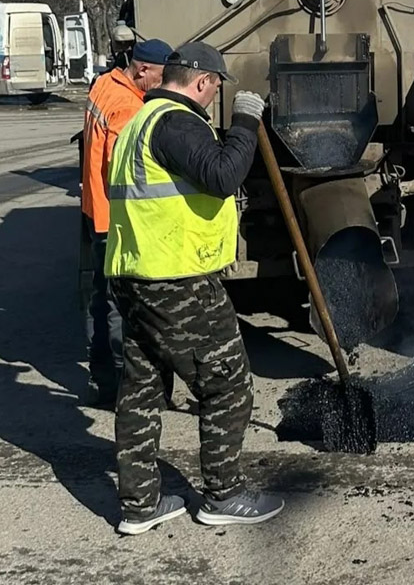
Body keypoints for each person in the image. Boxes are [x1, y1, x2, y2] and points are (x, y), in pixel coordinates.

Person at [106, 41, 283, 535]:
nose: (214, 97)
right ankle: (224, 494)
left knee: (142, 389)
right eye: (216, 89)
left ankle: (140, 503)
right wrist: (245, 122)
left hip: (135, 274)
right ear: (203, 81)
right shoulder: (175, 122)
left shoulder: (139, 121)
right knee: (227, 383)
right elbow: (223, 175)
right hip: (176, 281)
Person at [80, 38, 170, 407]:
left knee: (100, 300)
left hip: (95, 209)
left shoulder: (104, 83)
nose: (162, 84)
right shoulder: (128, 107)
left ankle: (101, 380)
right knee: (120, 304)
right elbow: (124, 171)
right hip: (114, 218)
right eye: (160, 77)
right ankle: (121, 386)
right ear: (142, 69)